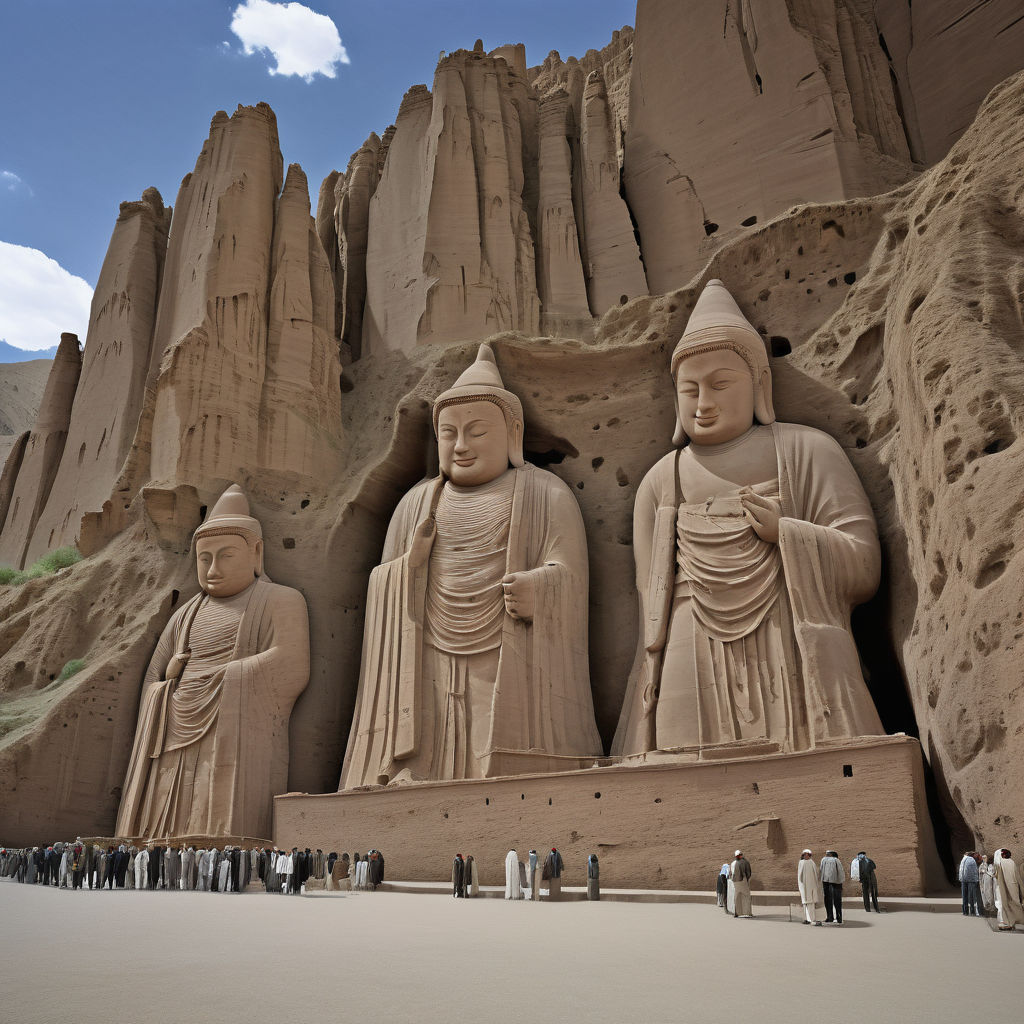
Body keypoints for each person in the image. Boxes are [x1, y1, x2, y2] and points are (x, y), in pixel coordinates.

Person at [613, 279, 885, 757]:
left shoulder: (806, 451)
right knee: (681, 775)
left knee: (809, 765)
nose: (703, 403)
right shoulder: (660, 482)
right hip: (689, 641)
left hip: (789, 634)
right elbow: (649, 611)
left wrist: (788, 534)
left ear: (759, 385)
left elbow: (864, 567)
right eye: (689, 389)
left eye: (720, 384)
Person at [340, 344, 603, 787]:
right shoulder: (414, 505)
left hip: (508, 645)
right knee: (437, 719)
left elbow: (571, 575)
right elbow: (381, 584)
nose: (460, 446)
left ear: (512, 433)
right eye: (448, 434)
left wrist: (542, 588)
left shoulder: (545, 493)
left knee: (496, 728)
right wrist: (410, 567)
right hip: (429, 649)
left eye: (477, 432)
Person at [116, 485, 310, 842]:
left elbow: (292, 664)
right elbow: (152, 680)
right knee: (169, 789)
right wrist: (165, 689)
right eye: (204, 559)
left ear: (256, 552)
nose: (213, 568)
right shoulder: (184, 615)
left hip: (235, 723)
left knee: (219, 787)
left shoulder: (281, 600)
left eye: (226, 556)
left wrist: (226, 676)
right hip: (174, 721)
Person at [993, 848, 1024, 931]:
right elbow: (1017, 876)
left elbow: (995, 874)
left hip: (1005, 887)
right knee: (1015, 904)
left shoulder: (1001, 863)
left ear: (1003, 855)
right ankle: (1014, 921)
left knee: (1006, 905)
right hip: (1013, 886)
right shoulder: (1012, 862)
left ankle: (1009, 922)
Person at [798, 849, 824, 926]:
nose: (806, 856)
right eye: (804, 855)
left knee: (811, 903)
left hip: (812, 886)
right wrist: (801, 885)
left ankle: (811, 919)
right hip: (804, 886)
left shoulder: (812, 862)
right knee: (805, 903)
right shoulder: (801, 862)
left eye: (807, 855)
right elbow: (800, 875)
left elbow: (816, 874)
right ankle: (807, 919)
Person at [820, 850, 844, 924]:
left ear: (832, 855)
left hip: (836, 883)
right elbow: (821, 870)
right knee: (827, 900)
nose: (826, 855)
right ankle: (830, 917)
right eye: (826, 854)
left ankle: (838, 917)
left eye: (828, 854)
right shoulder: (824, 860)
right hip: (826, 882)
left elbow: (840, 872)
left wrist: (839, 882)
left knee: (836, 901)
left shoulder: (836, 861)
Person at [958, 851, 983, 917]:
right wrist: (976, 880)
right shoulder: (971, 860)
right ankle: (972, 911)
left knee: (964, 896)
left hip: (963, 879)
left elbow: (961, 870)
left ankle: (965, 911)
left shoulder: (963, 859)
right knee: (972, 896)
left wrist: (960, 878)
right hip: (971, 880)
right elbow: (974, 871)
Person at [730, 850, 752, 918]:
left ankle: (737, 913)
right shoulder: (745, 862)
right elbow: (748, 873)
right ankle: (747, 913)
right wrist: (747, 880)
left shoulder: (733, 863)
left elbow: (731, 873)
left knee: (737, 897)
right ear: (741, 855)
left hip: (735, 881)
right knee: (746, 896)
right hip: (743, 880)